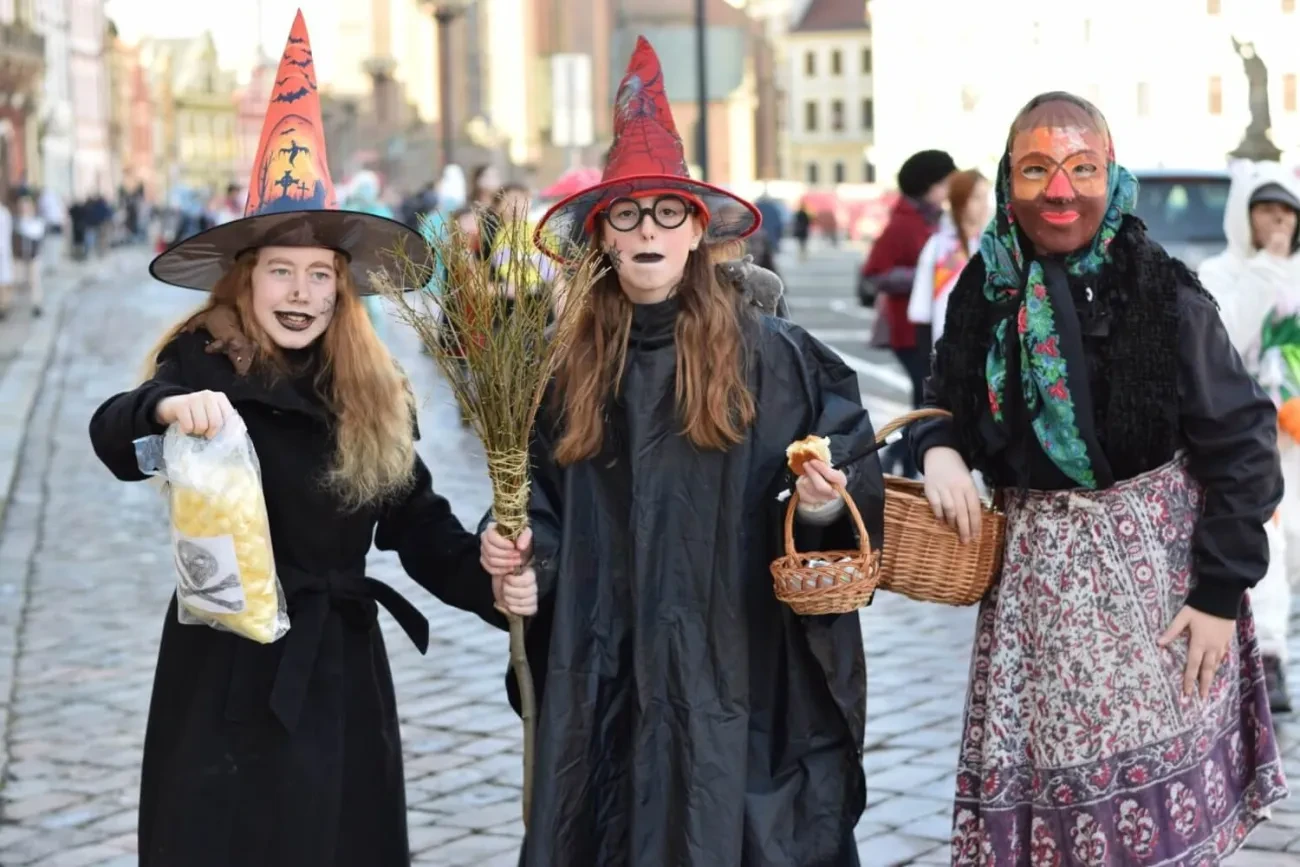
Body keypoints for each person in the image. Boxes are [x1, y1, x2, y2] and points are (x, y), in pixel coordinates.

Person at [86, 14, 498, 865]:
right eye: (281, 271)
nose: (301, 293)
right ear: (248, 280)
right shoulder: (200, 358)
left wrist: (499, 579)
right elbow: (115, 434)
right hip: (222, 670)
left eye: (319, 275)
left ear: (341, 290)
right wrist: (166, 410)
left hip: (336, 671)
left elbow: (419, 524)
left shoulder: (372, 389)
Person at [478, 36, 882, 866]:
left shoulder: (774, 358)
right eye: (627, 214)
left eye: (668, 211)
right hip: (608, 663)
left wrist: (818, 504)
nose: (648, 229)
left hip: (740, 666)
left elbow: (840, 474)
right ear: (604, 236)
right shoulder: (564, 368)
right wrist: (518, 554)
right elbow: (539, 502)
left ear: (698, 229)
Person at [913, 91, 1288, 863]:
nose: (1060, 191)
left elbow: (1243, 440)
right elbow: (946, 393)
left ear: (1111, 175)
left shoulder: (1161, 290)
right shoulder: (985, 288)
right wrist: (939, 446)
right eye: (1037, 169)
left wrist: (1219, 593)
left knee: (1149, 833)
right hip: (1033, 605)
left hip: (1161, 603)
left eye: (1082, 168)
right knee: (1053, 822)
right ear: (1008, 177)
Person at [1199, 160, 1300, 714]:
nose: (1278, 221)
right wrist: (1266, 271)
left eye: (1287, 211)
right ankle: (1271, 658)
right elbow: (1225, 340)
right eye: (1266, 210)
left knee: (1293, 550)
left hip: (1296, 435)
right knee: (1269, 542)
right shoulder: (1221, 272)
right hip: (1248, 438)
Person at [862, 148, 956, 477]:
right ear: (929, 185)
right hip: (907, 328)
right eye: (945, 183)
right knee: (925, 403)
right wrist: (926, 276)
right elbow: (874, 273)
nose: (949, 190)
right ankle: (895, 460)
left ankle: (900, 462)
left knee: (925, 401)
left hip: (927, 326)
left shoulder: (935, 219)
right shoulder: (904, 222)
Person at [906, 169, 990, 352]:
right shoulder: (939, 247)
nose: (984, 205)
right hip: (947, 347)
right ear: (960, 201)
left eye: (986, 197)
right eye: (977, 198)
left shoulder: (993, 245)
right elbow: (922, 308)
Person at [10, 190, 47, 317]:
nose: (24, 208)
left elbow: (36, 233)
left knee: (35, 281)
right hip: (19, 257)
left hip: (33, 256)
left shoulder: (36, 221)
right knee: (17, 280)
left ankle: (36, 304)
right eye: (22, 206)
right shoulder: (15, 220)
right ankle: (10, 303)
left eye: (26, 206)